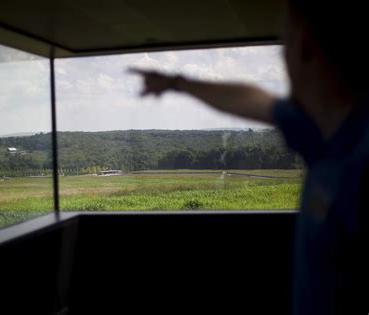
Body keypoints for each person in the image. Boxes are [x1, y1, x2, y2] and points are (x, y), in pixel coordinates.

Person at [130, 1, 367, 315]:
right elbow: (250, 100)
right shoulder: (318, 131)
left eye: (283, 45)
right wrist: (176, 83)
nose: (282, 59)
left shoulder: (360, 160)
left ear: (304, 48)